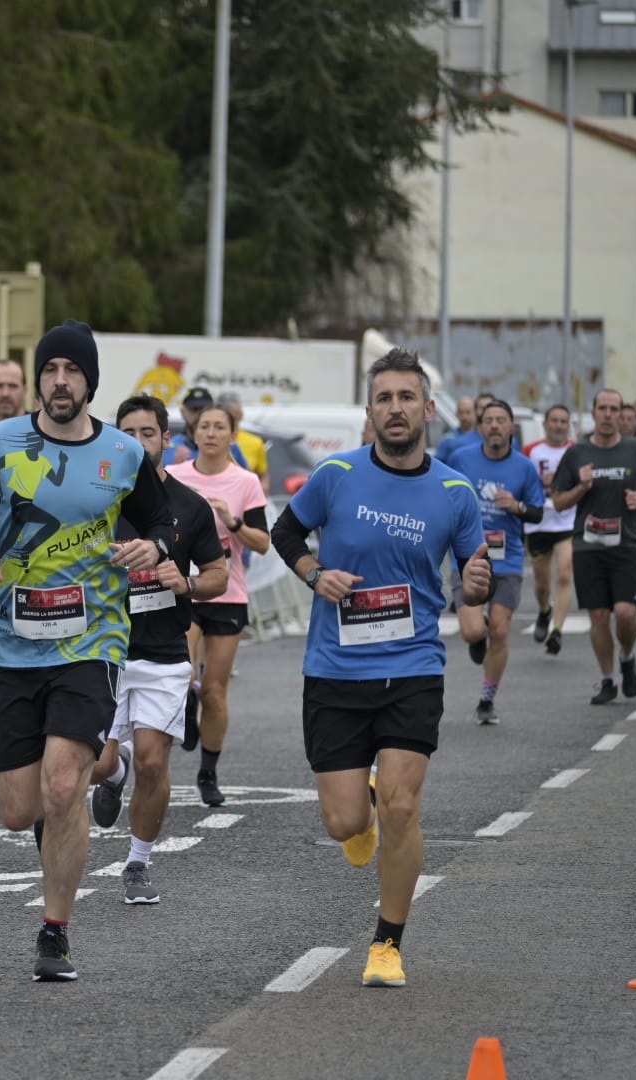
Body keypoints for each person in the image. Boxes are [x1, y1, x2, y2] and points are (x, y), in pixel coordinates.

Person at [0, 319, 174, 981]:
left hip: (89, 640)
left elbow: (164, 518)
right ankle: (100, 783)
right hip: (9, 643)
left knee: (64, 784)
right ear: (38, 380)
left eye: (72, 371)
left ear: (89, 383)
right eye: (51, 371)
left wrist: (151, 547)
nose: (60, 381)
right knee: (20, 810)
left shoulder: (124, 454)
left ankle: (55, 931)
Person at [269, 347, 491, 989]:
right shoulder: (335, 476)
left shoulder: (454, 491)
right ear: (370, 412)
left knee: (402, 808)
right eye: (384, 399)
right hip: (335, 669)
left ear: (427, 408)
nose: (396, 409)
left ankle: (387, 944)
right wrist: (315, 574)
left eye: (407, 397)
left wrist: (475, 586)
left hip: (413, 666)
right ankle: (357, 806)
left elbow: (473, 583)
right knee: (345, 822)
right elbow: (285, 535)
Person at [89, 394, 227, 904]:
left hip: (165, 652)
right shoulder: (97, 503)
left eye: (149, 433)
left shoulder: (188, 507)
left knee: (153, 763)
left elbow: (219, 576)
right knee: (99, 764)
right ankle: (113, 774)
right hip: (103, 650)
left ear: (167, 440)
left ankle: (137, 862)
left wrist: (186, 581)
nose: (139, 443)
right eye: (129, 434)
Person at [166, 404, 270, 805]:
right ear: (194, 433)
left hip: (228, 592)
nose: (210, 433)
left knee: (215, 691)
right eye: (204, 426)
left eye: (219, 427)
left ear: (232, 435)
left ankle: (208, 772)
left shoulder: (245, 482)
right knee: (181, 672)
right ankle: (185, 696)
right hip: (185, 588)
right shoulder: (175, 477)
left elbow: (263, 542)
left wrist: (233, 522)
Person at [550, 389, 636, 705]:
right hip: (588, 546)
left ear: (621, 414)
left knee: (626, 614)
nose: (609, 414)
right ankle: (608, 680)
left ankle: (627, 656)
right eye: (603, 408)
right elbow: (558, 502)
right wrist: (582, 487)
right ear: (593, 412)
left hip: (626, 543)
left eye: (615, 408)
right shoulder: (576, 453)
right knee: (599, 616)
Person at [449, 400, 545, 724]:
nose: (494, 425)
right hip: (468, 556)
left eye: (500, 420)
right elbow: (443, 497)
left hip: (508, 560)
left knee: (501, 632)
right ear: (480, 428)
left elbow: (538, 511)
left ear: (511, 427)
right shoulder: (461, 460)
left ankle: (487, 700)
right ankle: (478, 638)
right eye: (488, 420)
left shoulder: (524, 467)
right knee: (472, 631)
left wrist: (516, 506)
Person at [524, 404, 578, 655]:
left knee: (565, 574)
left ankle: (557, 630)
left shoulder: (576, 452)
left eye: (563, 421)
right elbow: (520, 481)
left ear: (569, 426)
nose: (558, 425)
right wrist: (540, 482)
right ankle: (544, 610)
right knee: (542, 583)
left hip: (567, 520)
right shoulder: (530, 451)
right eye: (554, 420)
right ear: (545, 424)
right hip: (538, 522)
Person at [169, 386, 248, 469]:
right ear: (182, 412)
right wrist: (176, 467)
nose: (200, 414)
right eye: (194, 409)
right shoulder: (169, 447)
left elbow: (248, 477)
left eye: (205, 408)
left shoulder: (230, 446)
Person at [216, 390, 269, 495]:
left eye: (233, 416)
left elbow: (262, 474)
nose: (229, 420)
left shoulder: (255, 442)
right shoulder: (208, 439)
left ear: (241, 415)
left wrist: (262, 490)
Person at [433, 395, 476, 463]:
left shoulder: (482, 437)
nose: (464, 417)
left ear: (475, 413)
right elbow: (438, 462)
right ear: (456, 413)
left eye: (468, 412)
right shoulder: (448, 438)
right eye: (461, 412)